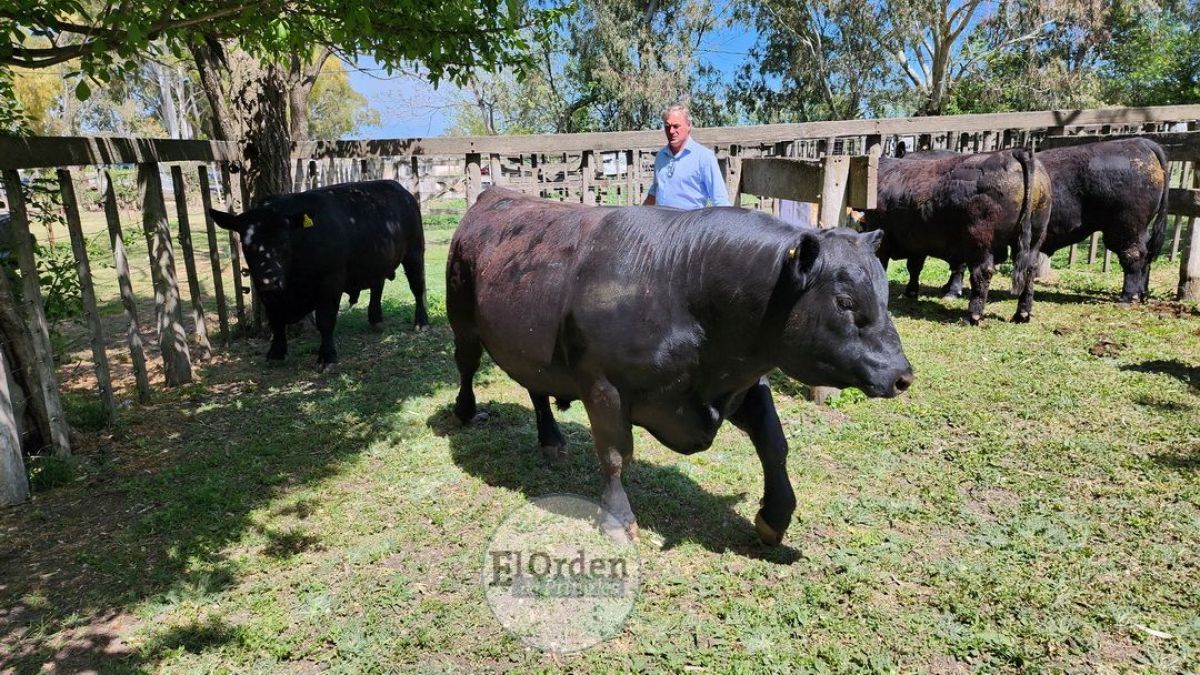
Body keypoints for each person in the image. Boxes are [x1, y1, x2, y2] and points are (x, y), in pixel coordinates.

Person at [643, 104, 731, 209]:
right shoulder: (661, 156)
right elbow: (655, 190)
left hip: (691, 224)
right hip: (663, 223)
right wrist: (638, 217)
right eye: (667, 126)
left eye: (676, 126)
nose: (671, 131)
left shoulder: (704, 157)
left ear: (689, 125)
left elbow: (720, 200)